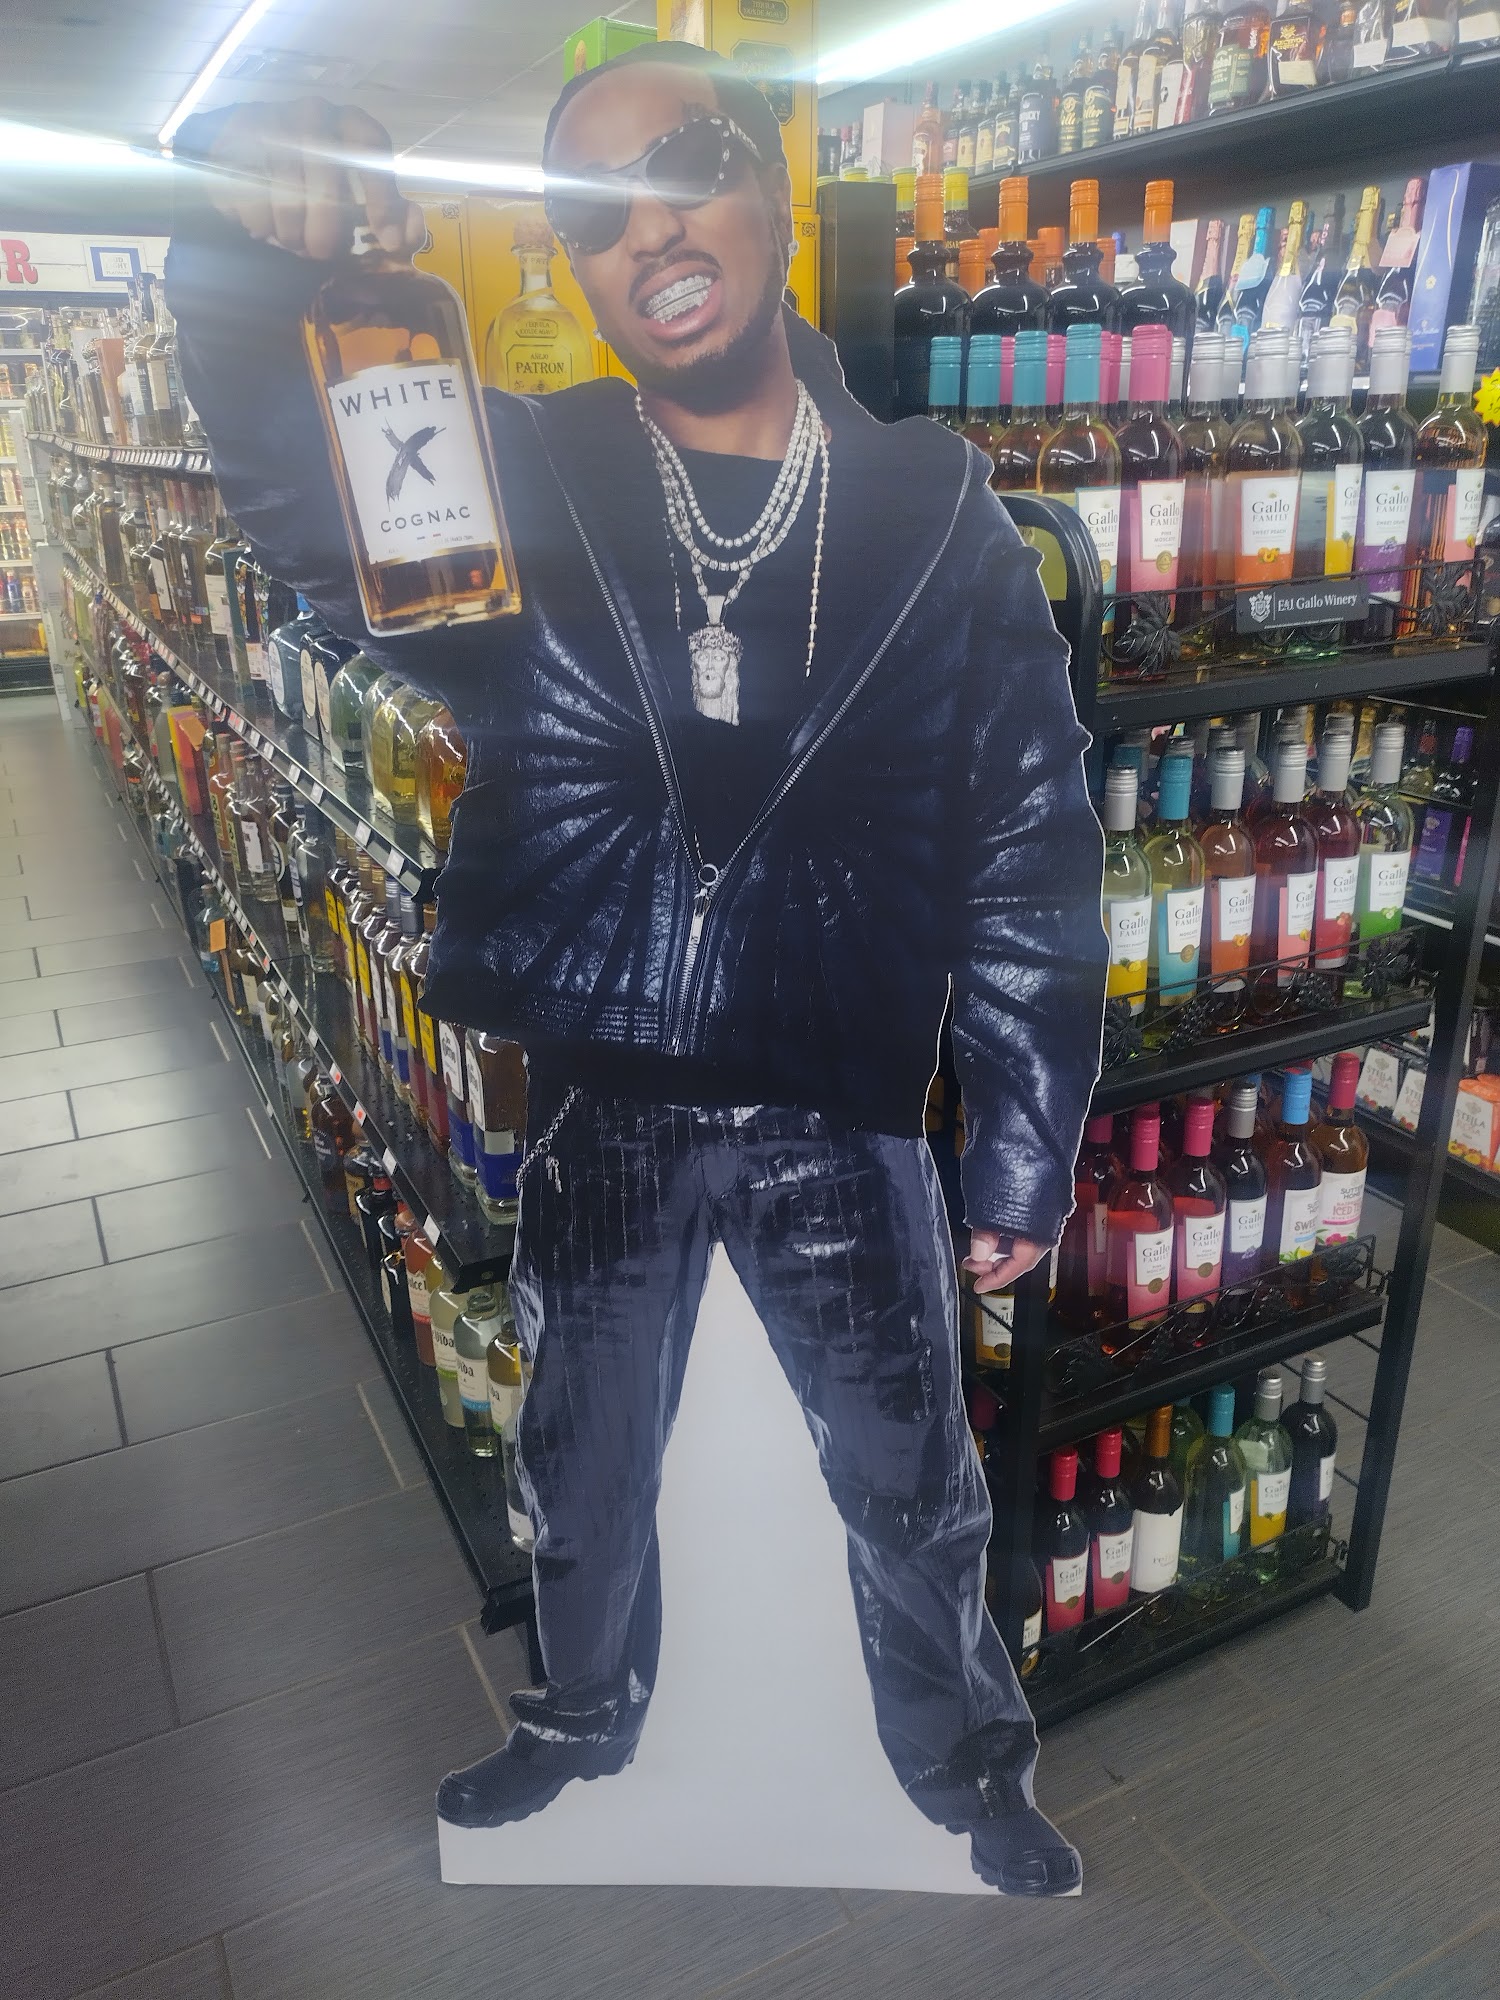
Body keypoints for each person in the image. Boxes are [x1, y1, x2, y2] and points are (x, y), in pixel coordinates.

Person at [165, 41, 1107, 1897]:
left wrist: (1021, 1136)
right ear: (576, 271)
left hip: (843, 1098)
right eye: (595, 218)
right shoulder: (532, 472)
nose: (650, 234)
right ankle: (580, 1719)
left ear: (764, 187)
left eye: (681, 170)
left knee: (909, 1473)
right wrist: (253, 277)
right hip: (606, 1088)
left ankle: (962, 1762)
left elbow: (1028, 837)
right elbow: (314, 515)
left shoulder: (934, 511)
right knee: (579, 1458)